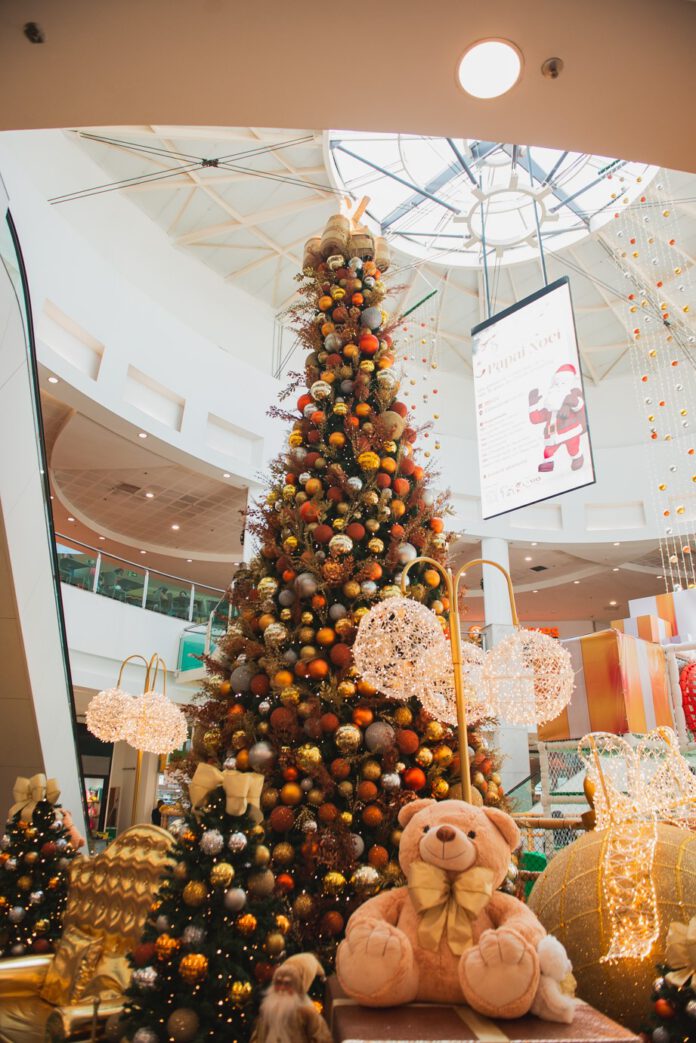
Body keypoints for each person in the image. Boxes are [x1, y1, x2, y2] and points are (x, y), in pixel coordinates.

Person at [251, 954, 332, 1043]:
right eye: (278, 983)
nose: (281, 989)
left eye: (287, 984)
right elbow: (257, 1036)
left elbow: (323, 1039)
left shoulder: (307, 1013)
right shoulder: (267, 1009)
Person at [528, 364, 587, 473]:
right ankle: (548, 463)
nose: (559, 386)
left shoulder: (572, 396)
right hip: (553, 434)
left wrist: (567, 401)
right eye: (556, 384)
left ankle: (577, 457)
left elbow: (579, 405)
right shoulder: (549, 407)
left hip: (570, 431)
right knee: (548, 451)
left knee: (573, 448)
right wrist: (532, 404)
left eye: (563, 383)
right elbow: (535, 419)